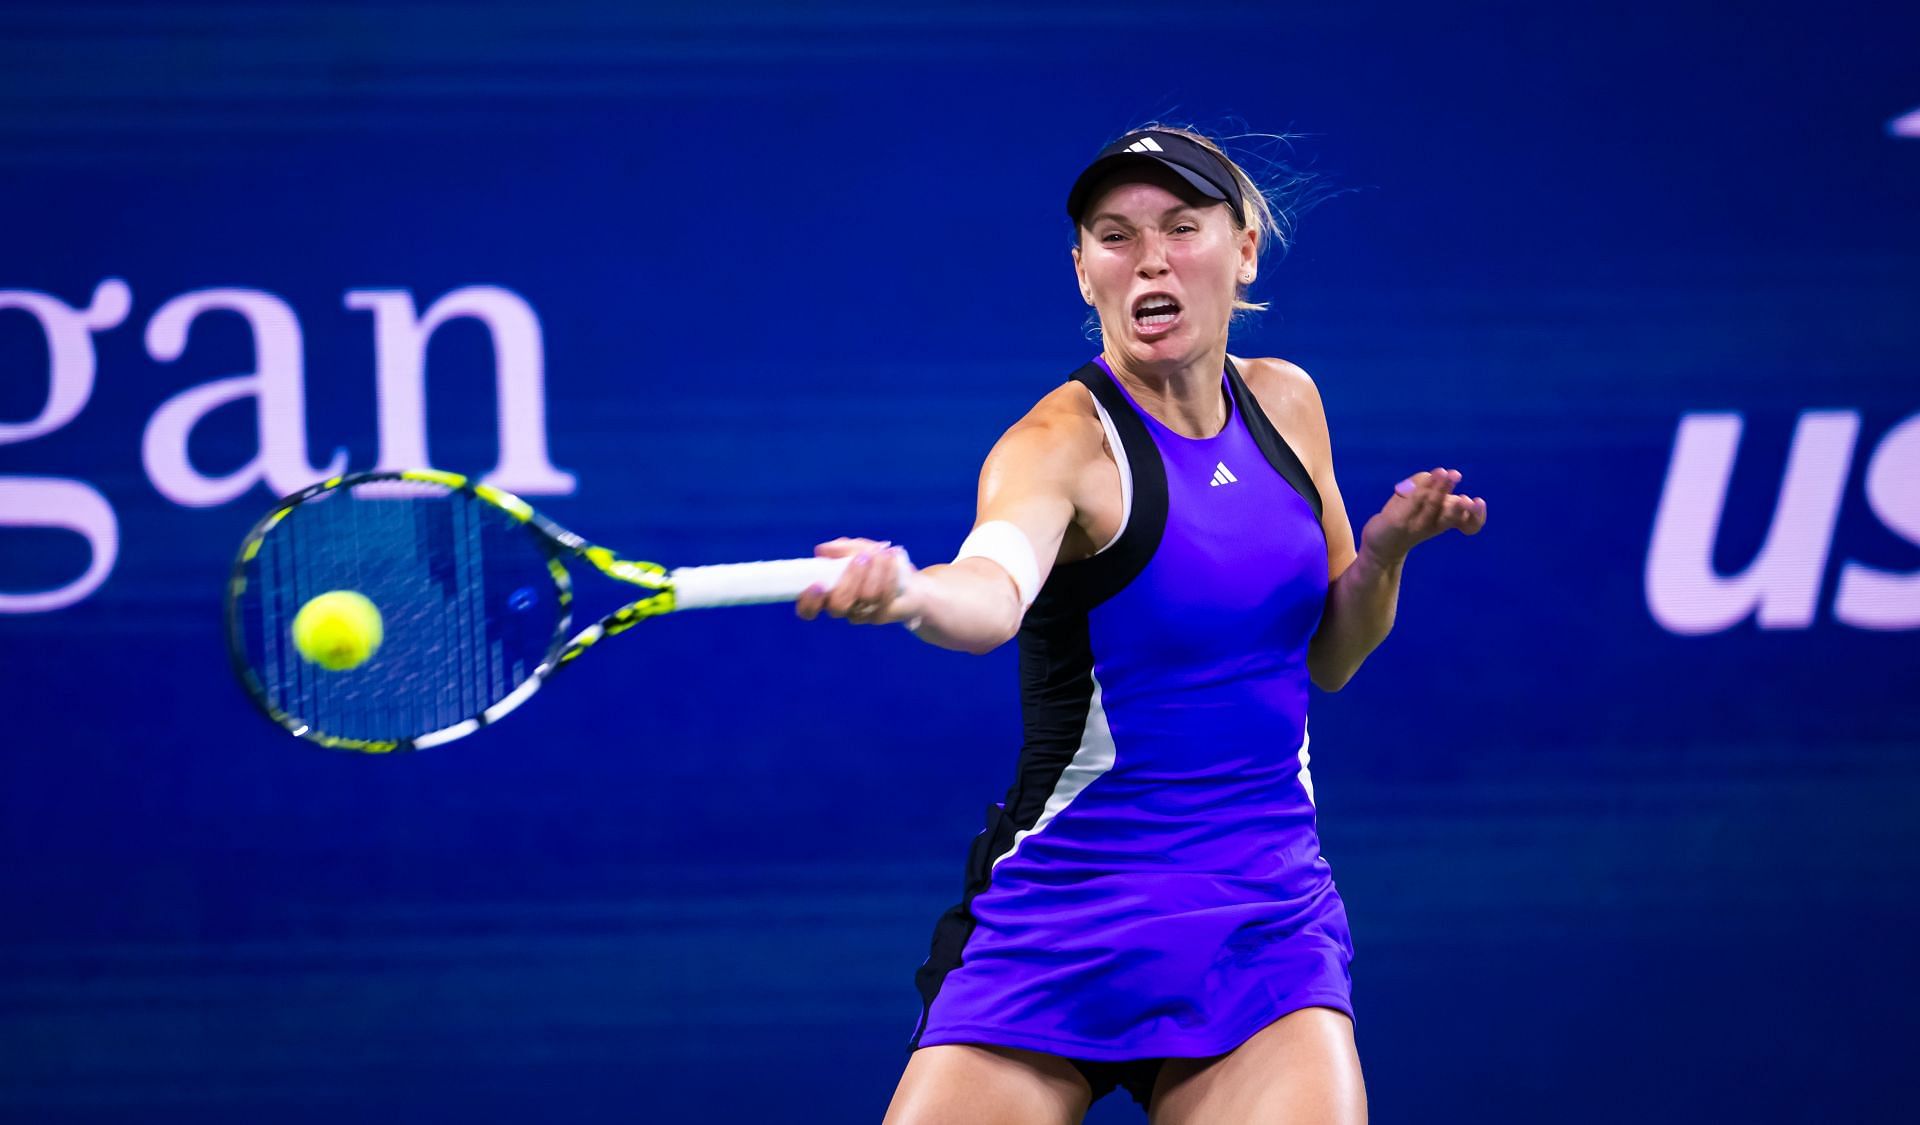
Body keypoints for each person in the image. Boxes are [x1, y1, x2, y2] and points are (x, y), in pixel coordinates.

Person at [796, 124, 1487, 1124]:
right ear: (1084, 274)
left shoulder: (1288, 404)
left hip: (1263, 919)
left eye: (1182, 226)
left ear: (1244, 248)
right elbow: (991, 593)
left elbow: (1332, 658)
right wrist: (907, 592)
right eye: (1115, 236)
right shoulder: (1057, 446)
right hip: (1062, 921)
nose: (1152, 258)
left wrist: (1380, 559)